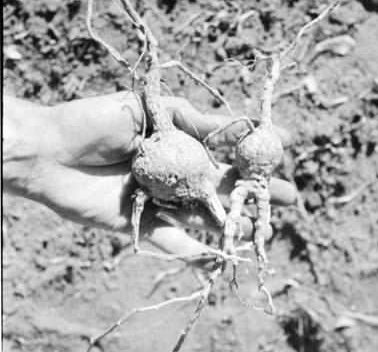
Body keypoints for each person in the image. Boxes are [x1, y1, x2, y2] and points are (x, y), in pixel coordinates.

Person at [3, 91, 296, 262]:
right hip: (172, 166)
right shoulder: (156, 157)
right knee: (221, 219)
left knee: (221, 217)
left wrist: (40, 143)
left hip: (181, 168)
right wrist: (42, 145)